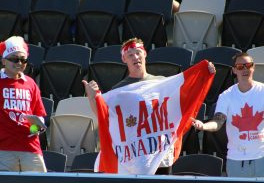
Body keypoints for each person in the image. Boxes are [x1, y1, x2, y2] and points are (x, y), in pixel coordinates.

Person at [83, 37, 216, 174]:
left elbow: (184, 99)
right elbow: (104, 116)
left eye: (138, 52)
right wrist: (92, 97)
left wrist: (204, 74)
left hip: (161, 155)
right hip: (135, 159)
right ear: (124, 59)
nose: (135, 57)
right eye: (130, 55)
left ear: (145, 54)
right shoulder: (119, 91)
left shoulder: (162, 83)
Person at [191, 52, 264, 177]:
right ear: (234, 70)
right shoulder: (226, 95)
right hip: (236, 160)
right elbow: (218, 121)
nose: (245, 69)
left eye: (248, 65)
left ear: (253, 67)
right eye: (240, 66)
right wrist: (204, 126)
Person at [0, 36, 47, 172]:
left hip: (31, 147)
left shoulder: (31, 83)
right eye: (14, 59)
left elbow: (40, 115)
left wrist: (35, 128)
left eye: (23, 59)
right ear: (4, 61)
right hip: (4, 149)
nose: (19, 62)